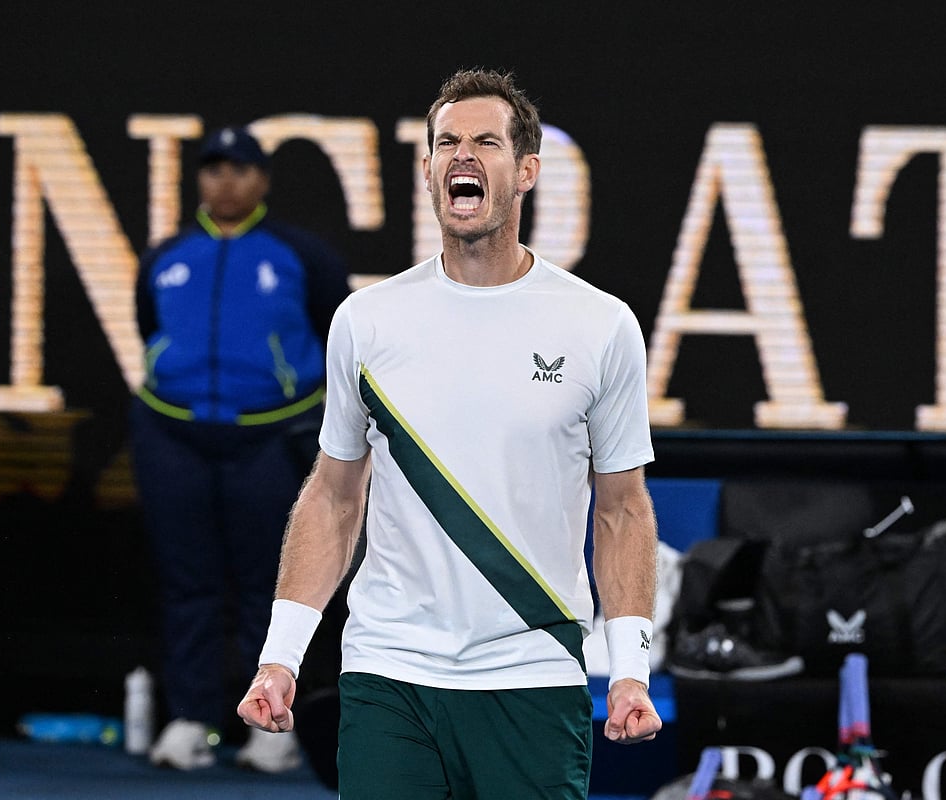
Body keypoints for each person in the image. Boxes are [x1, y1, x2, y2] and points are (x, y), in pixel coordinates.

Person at [237, 69, 662, 798]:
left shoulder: (601, 326)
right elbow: (334, 500)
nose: (462, 155)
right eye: (446, 142)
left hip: (534, 676)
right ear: (430, 168)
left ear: (526, 170)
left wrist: (629, 668)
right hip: (389, 673)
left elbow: (622, 508)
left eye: (486, 142)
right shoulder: (367, 323)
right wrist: (281, 657)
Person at [129, 125, 351, 772]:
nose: (226, 181)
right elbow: (150, 327)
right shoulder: (166, 256)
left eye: (241, 169)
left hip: (271, 436)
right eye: (214, 169)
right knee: (187, 583)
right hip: (172, 433)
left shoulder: (300, 254)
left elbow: (336, 333)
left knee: (273, 585)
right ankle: (191, 718)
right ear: (199, 179)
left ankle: (272, 725)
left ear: (262, 180)